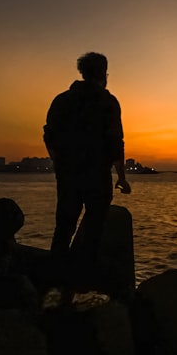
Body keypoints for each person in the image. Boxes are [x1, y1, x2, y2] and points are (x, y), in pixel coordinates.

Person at [43, 52, 131, 278]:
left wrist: (58, 163)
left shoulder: (62, 100)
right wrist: (121, 177)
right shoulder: (108, 102)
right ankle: (83, 282)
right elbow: (115, 142)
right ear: (104, 73)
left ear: (82, 72)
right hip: (96, 175)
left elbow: (49, 136)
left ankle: (55, 280)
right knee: (93, 231)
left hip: (68, 174)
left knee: (64, 227)